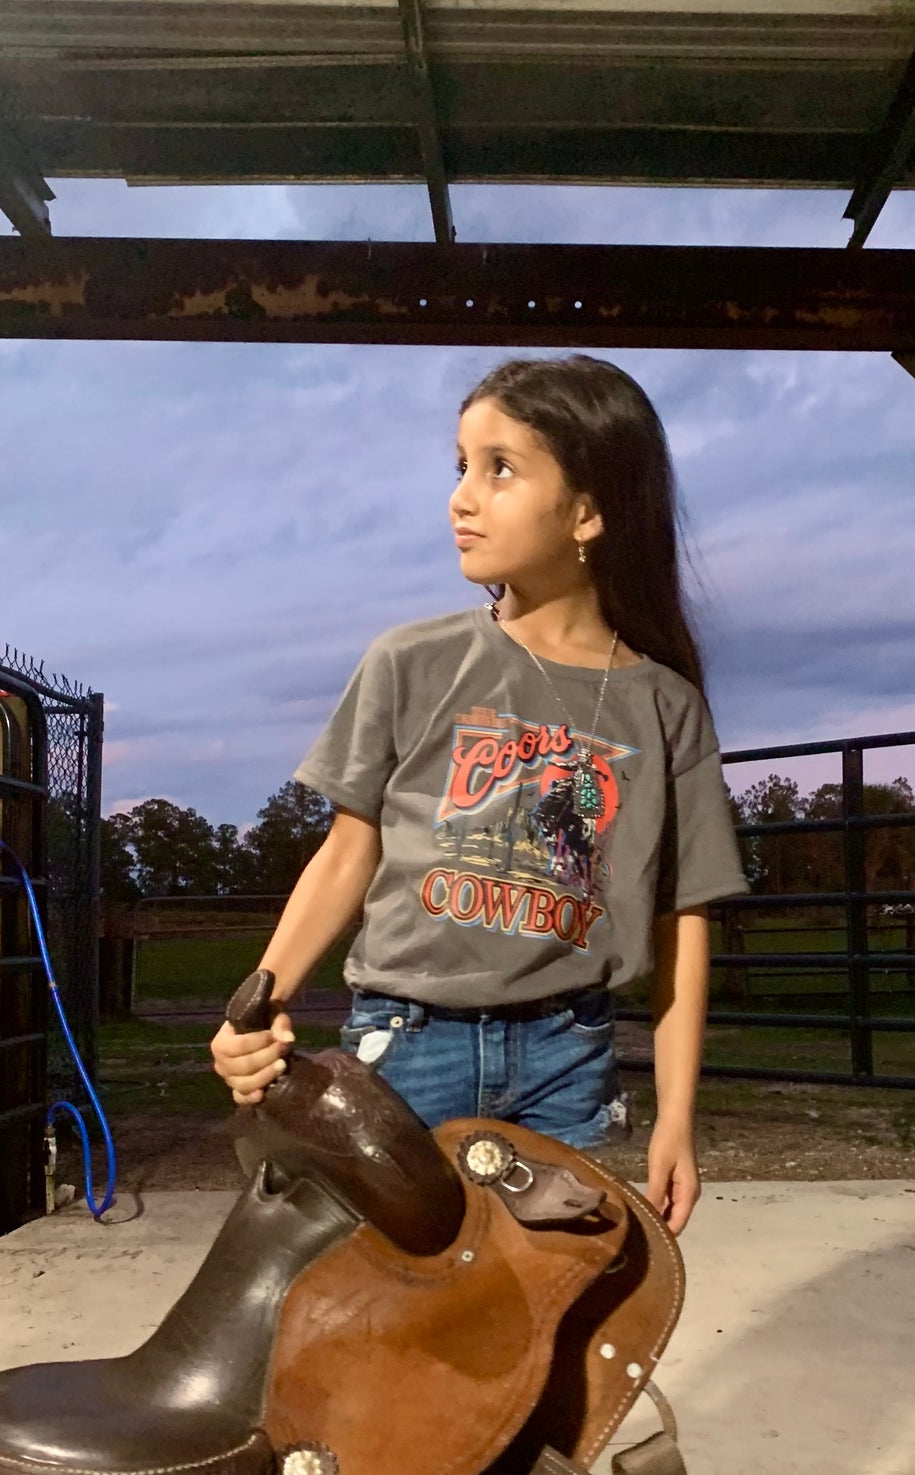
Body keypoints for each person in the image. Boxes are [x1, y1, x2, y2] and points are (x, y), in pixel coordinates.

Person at [211, 353, 747, 1236]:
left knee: (534, 1315)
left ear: (588, 510)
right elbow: (349, 851)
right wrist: (258, 1007)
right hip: (402, 1046)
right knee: (374, 1306)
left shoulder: (665, 707)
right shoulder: (410, 661)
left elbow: (680, 919)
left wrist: (677, 1119)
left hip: (566, 1057)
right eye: (459, 466)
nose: (461, 497)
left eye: (499, 468)